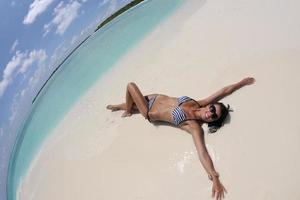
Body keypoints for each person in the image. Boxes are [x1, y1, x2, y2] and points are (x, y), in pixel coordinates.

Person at [107, 77, 255, 200]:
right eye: (212, 109)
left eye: (214, 116)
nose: (210, 113)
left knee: (130, 86)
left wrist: (215, 177)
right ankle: (119, 107)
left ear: (212, 121)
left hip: (149, 111)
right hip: (154, 97)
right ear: (209, 105)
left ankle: (127, 111)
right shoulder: (199, 103)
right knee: (134, 104)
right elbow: (223, 92)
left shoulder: (193, 126)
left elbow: (202, 153)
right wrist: (241, 83)